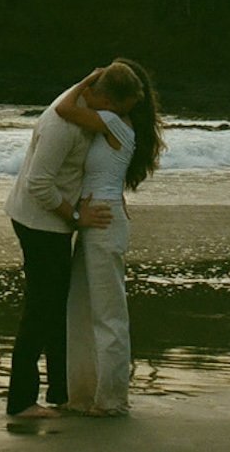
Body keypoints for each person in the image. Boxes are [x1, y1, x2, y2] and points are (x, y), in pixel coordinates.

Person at [53, 59, 164, 417]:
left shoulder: (115, 122)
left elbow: (65, 107)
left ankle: (112, 399)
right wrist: (96, 83)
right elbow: (80, 101)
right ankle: (84, 394)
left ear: (109, 98)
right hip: (95, 219)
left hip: (103, 219)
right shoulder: (113, 119)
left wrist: (89, 76)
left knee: (108, 314)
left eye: (98, 92)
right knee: (82, 309)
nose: (91, 95)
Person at [3, 72, 116, 418]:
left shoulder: (81, 106)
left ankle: (60, 390)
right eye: (112, 109)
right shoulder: (62, 123)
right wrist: (76, 216)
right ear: (100, 98)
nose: (111, 118)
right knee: (41, 309)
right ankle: (21, 401)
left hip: (52, 223)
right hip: (38, 222)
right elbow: (39, 183)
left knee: (56, 307)